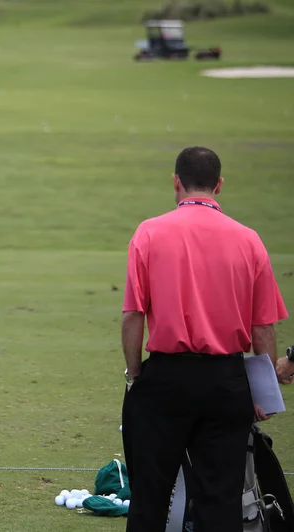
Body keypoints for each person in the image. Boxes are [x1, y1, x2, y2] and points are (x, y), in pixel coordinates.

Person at [120, 146, 288, 532]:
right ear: (219, 185)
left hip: (164, 380)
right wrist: (261, 393)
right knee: (221, 499)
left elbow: (133, 314)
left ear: (176, 183)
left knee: (150, 496)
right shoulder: (249, 240)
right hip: (226, 383)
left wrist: (133, 376)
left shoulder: (149, 232)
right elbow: (263, 328)